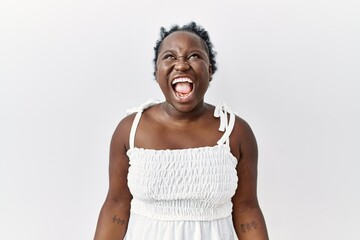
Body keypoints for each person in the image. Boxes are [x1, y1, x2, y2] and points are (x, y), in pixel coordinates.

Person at [94, 22, 269, 240]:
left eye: (194, 56)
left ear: (209, 71)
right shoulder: (130, 130)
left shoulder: (236, 132)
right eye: (170, 56)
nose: (182, 65)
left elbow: (246, 208)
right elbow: (116, 204)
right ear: (157, 72)